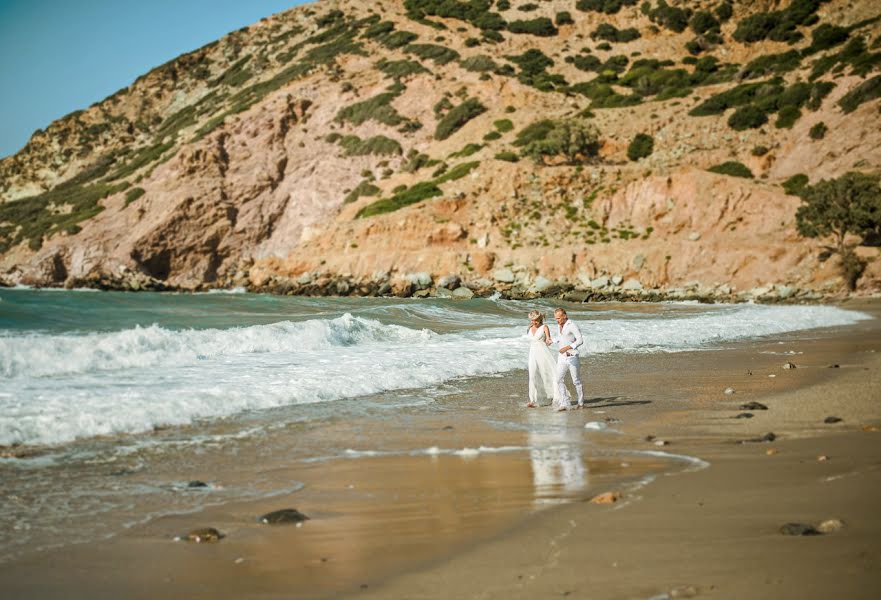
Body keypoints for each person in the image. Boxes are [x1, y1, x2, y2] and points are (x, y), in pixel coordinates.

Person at [526, 310, 570, 410]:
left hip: (543, 353)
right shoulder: (529, 328)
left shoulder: (544, 327)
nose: (534, 322)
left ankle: (558, 397)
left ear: (540, 319)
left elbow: (548, 340)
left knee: (548, 373)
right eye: (532, 320)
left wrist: (553, 341)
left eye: (536, 320)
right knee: (532, 375)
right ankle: (533, 400)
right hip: (532, 354)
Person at [554, 308, 585, 409]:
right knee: (558, 379)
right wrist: (552, 341)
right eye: (556, 318)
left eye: (558, 318)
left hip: (572, 357)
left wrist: (568, 347)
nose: (557, 320)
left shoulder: (572, 325)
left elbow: (580, 340)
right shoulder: (559, 326)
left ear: (564, 316)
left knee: (576, 381)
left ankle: (580, 403)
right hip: (562, 358)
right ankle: (565, 402)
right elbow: (560, 338)